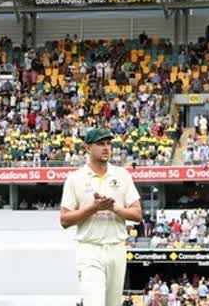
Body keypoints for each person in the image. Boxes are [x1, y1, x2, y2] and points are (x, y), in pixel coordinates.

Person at [60, 128, 142, 306]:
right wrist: (93, 208)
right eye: (100, 144)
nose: (106, 148)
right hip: (90, 248)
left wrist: (114, 208)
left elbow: (137, 214)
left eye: (108, 144)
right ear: (87, 148)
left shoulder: (122, 175)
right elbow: (65, 220)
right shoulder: (75, 178)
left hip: (117, 248)